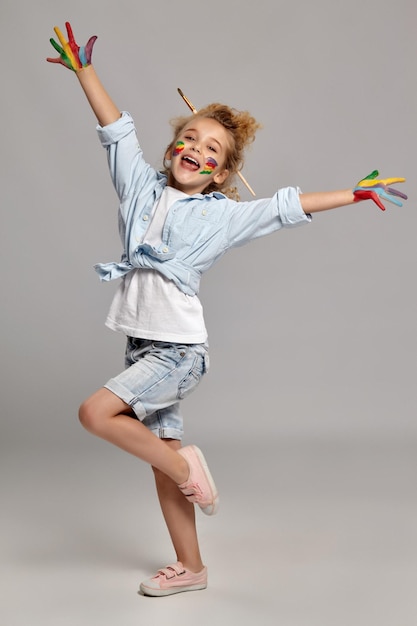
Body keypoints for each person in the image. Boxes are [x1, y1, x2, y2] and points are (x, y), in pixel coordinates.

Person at [46, 22, 407, 597]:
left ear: (222, 172)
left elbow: (286, 208)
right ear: (172, 150)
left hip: (178, 350)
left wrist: (353, 193)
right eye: (189, 139)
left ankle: (190, 467)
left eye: (212, 149)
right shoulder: (139, 188)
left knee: (97, 415)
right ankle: (191, 568)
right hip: (142, 343)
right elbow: (115, 130)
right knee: (161, 463)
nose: (196, 149)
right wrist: (85, 71)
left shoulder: (220, 215)